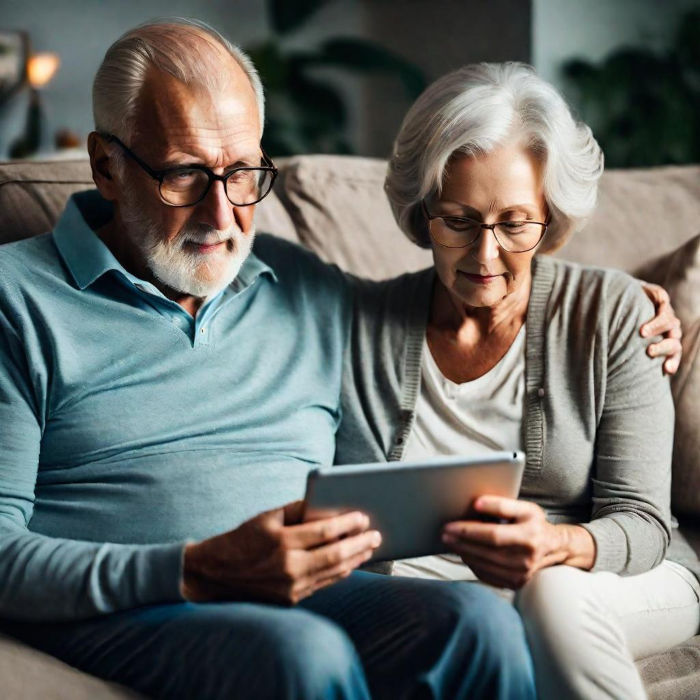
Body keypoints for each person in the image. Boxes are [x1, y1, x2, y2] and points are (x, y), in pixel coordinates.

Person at [0, 20, 538, 700]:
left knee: (479, 621)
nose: (223, 214)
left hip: (315, 590)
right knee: (301, 655)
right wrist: (194, 570)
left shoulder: (303, 284)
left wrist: (615, 304)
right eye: (186, 174)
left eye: (244, 173)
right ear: (106, 164)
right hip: (135, 604)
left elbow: (456, 299)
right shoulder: (14, 299)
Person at [335, 62, 698, 699]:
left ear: (549, 217)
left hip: (614, 577)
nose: (484, 255)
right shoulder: (359, 325)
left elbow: (643, 524)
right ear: (423, 213)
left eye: (513, 223)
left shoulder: (615, 315)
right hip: (432, 592)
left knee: (547, 591)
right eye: (459, 219)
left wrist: (556, 544)